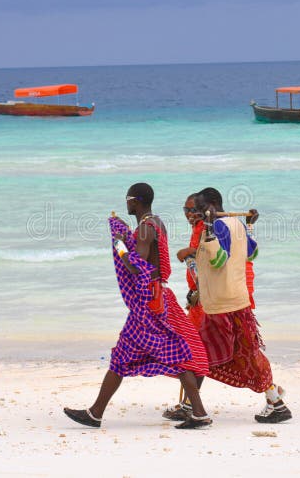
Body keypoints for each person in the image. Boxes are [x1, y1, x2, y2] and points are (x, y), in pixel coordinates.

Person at [64, 183, 212, 430]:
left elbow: (137, 265)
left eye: (128, 199)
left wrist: (120, 244)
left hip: (148, 305)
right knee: (132, 356)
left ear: (136, 201)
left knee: (173, 355)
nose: (126, 202)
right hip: (159, 298)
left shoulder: (145, 228)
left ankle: (96, 413)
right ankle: (96, 412)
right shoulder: (157, 223)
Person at [187, 187, 291, 423]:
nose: (201, 214)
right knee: (247, 353)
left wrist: (210, 230)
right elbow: (251, 253)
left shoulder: (217, 227)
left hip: (221, 306)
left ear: (214, 204)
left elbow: (218, 260)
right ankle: (274, 399)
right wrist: (251, 225)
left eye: (203, 208)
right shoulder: (238, 224)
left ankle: (195, 411)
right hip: (237, 302)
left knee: (200, 354)